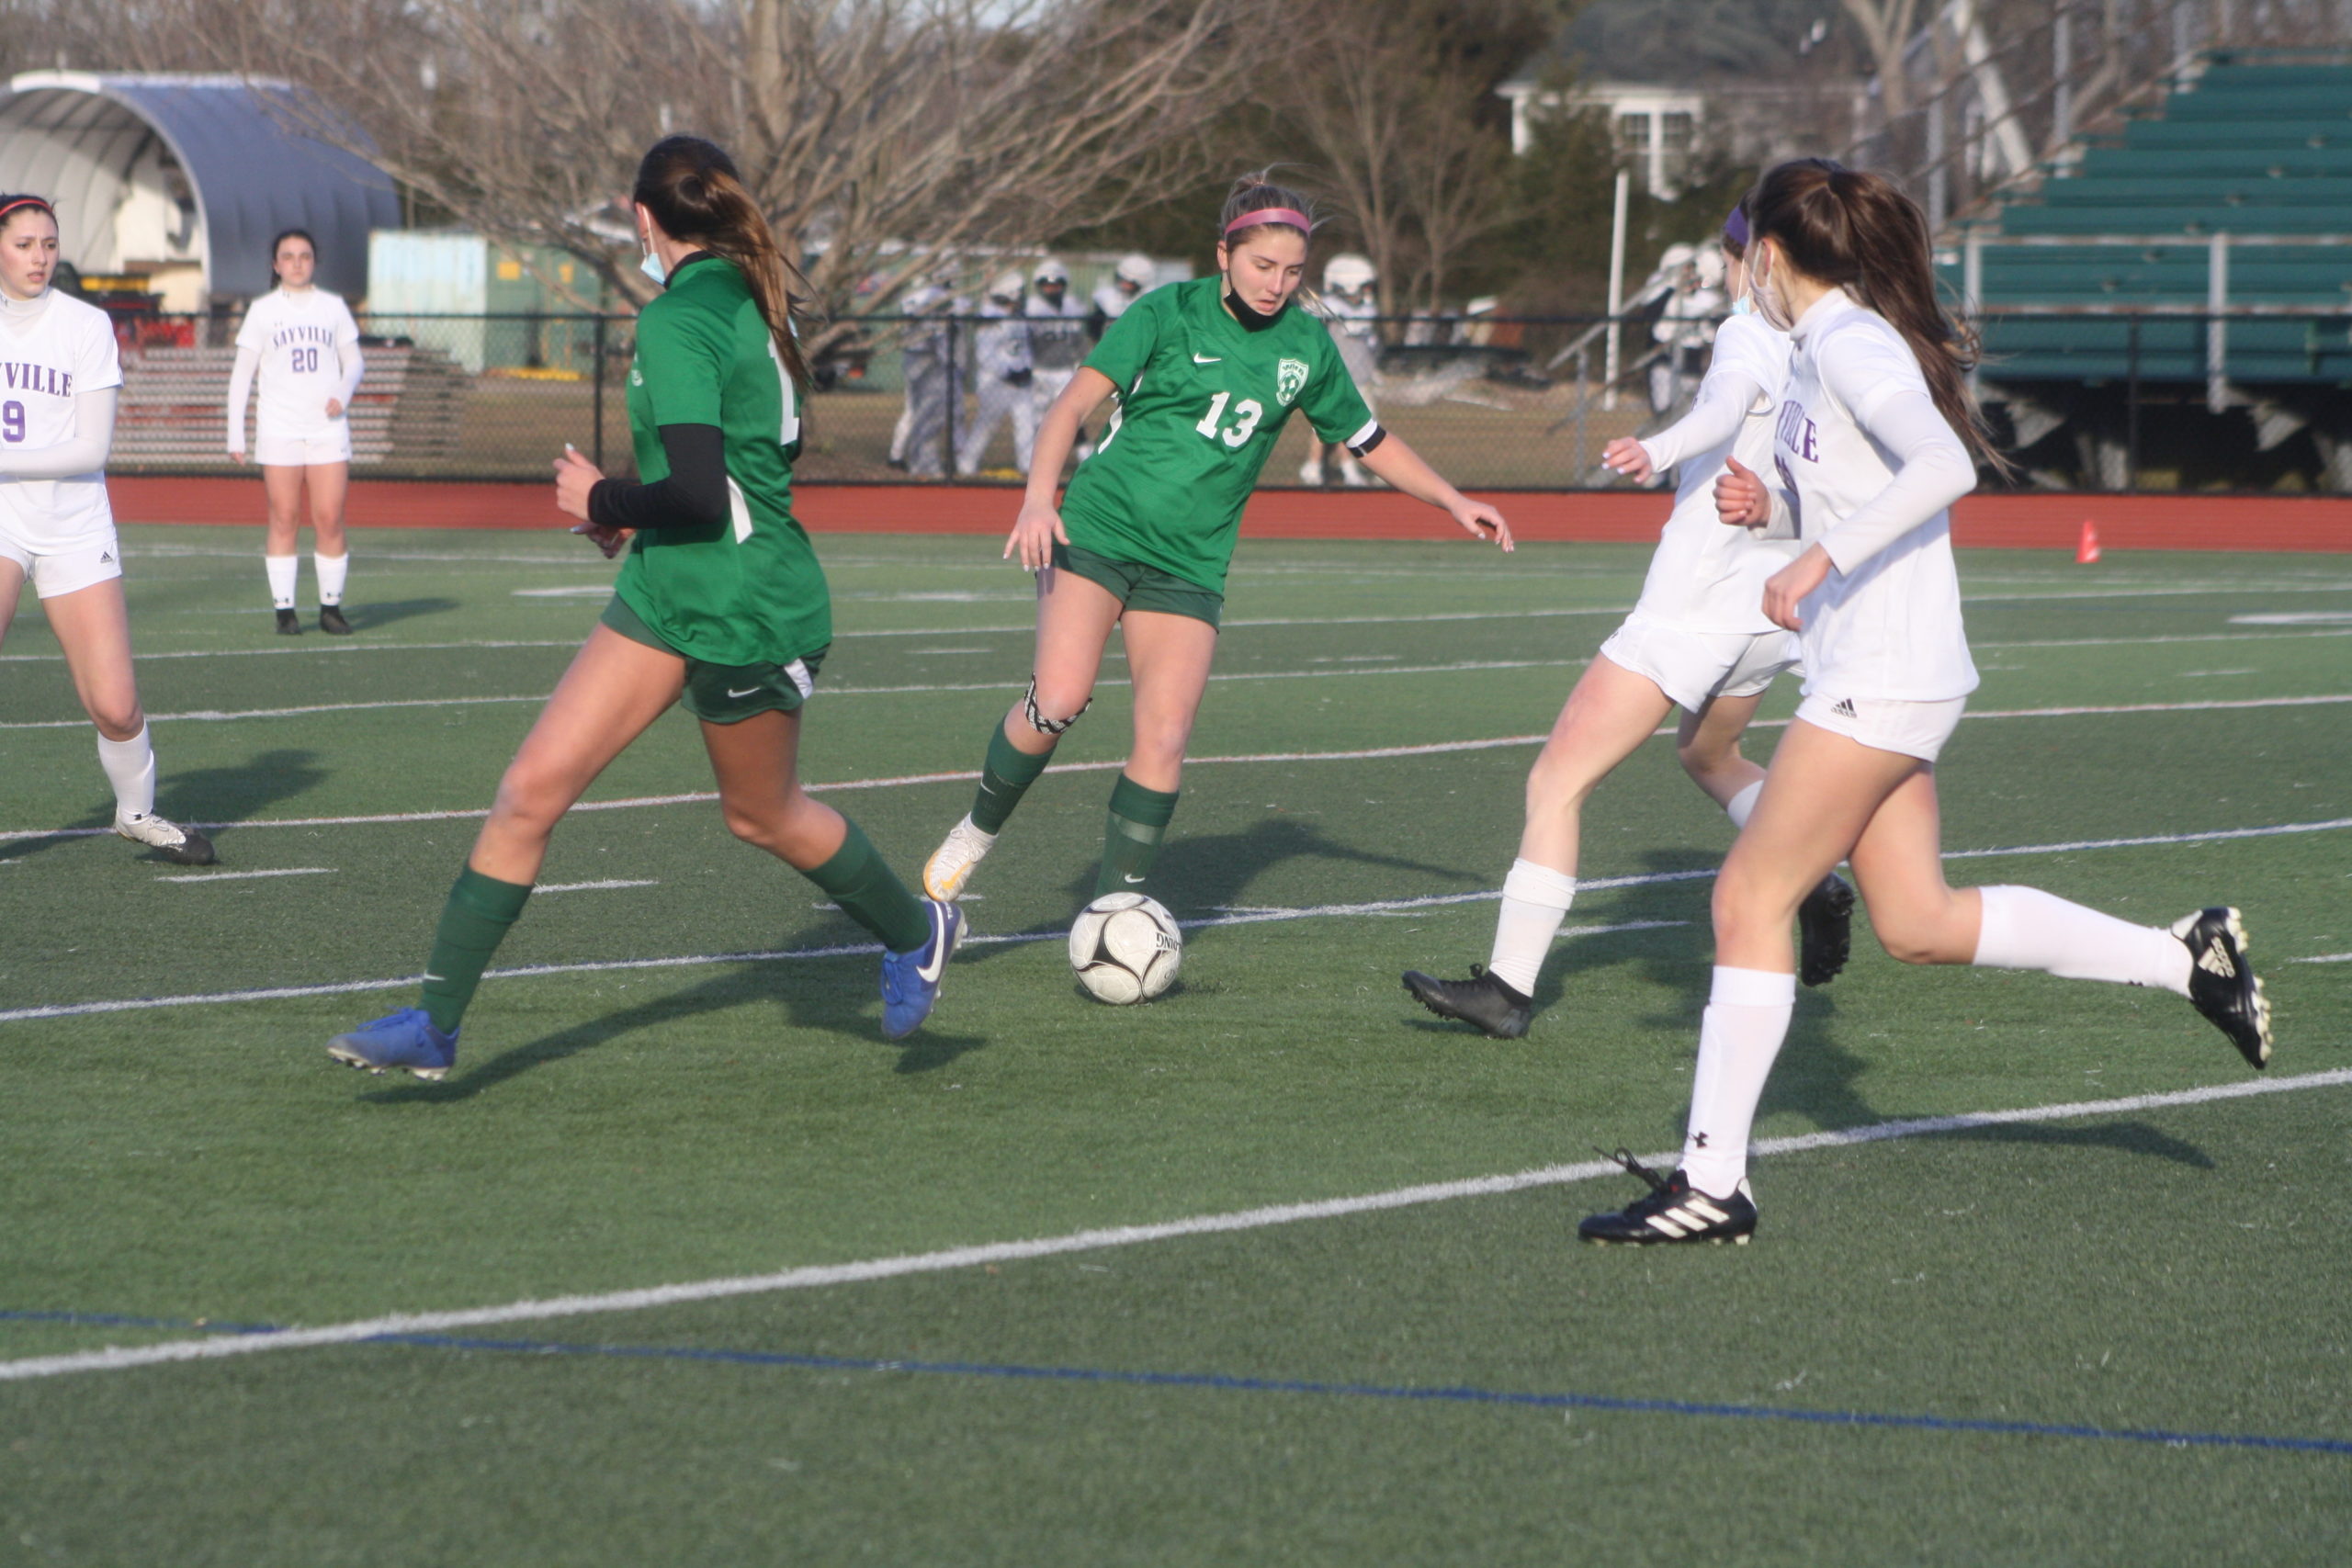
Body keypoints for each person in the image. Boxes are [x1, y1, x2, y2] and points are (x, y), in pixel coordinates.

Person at [1577, 160, 2271, 1247]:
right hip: (1882, 666)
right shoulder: (1815, 350)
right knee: (1917, 923)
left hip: (1880, 675)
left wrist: (1813, 564)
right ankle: (2185, 956)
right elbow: (1861, 495)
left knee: (1746, 904)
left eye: (1739, 252)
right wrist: (1780, 521)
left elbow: (1941, 466)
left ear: (1764, 256)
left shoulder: (1849, 342)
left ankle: (1712, 1184)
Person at [325, 137, 960, 1079]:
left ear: (640, 217)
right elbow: (724, 472)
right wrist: (630, 514)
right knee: (528, 791)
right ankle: (437, 1021)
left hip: (746, 604)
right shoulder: (745, 297)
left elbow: (707, 492)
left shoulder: (682, 317)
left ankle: (919, 932)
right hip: (671, 586)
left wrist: (601, 501)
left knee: (763, 815)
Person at [919, 173, 1513, 923]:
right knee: (1060, 698)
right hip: (1098, 530)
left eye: (1293, 272)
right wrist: (1039, 496)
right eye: (1263, 266)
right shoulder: (1165, 311)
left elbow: (1369, 440)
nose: (1277, 284)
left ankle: (1116, 912)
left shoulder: (1306, 344)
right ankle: (976, 830)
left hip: (1190, 563)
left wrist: (1454, 499)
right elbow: (1072, 404)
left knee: (1165, 735)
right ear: (1223, 253)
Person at [1401, 207, 1849, 1042]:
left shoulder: (1750, 328)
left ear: (1758, 260)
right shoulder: (1835, 342)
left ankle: (1507, 988)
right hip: (1777, 603)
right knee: (1707, 753)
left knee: (1555, 782)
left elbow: (1723, 406)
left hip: (1699, 599)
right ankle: (1814, 873)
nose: (1725, 272)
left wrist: (1663, 446)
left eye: (1729, 257)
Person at [0, 194, 214, 865]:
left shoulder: (86, 326)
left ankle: (136, 814)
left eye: (49, 244)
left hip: (73, 523)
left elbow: (92, 450)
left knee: (117, 707)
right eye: (24, 244)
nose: (39, 257)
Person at [225, 230, 362, 636]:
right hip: (279, 427)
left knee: (330, 517)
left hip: (327, 428)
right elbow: (242, 375)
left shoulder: (333, 307)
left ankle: (330, 609)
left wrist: (342, 392)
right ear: (276, 264)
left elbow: (353, 362)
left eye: (304, 255)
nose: (297, 263)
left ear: (314, 261)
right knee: (284, 516)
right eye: (288, 256)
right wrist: (236, 434)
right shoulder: (263, 311)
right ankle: (285, 612)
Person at [1299, 253, 1379, 489]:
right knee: (1329, 425)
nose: (1366, 291)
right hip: (1336, 378)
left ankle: (1347, 468)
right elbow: (1311, 313)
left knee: (1360, 426)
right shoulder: (1328, 306)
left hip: (1361, 378)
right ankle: (1316, 467)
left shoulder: (1366, 309)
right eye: (1363, 286)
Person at [955, 270, 1035, 477]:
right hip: (996, 382)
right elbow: (985, 355)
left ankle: (1027, 467)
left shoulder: (1018, 317)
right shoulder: (990, 317)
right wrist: (1007, 372)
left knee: (1026, 424)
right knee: (986, 425)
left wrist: (1026, 368)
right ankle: (966, 464)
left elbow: (1023, 348)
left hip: (1020, 381)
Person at [1024, 258, 1091, 466]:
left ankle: (1087, 461)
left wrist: (1081, 361)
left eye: (1056, 284)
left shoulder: (1073, 306)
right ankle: (1031, 464)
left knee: (1072, 419)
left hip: (1064, 371)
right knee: (1036, 420)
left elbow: (1080, 340)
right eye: (1047, 284)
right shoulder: (1032, 308)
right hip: (1038, 371)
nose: (1051, 289)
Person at [1088, 253, 1154, 342]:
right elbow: (1093, 333)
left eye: (1130, 283)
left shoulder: (1148, 301)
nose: (1124, 286)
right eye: (1123, 280)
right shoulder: (1106, 297)